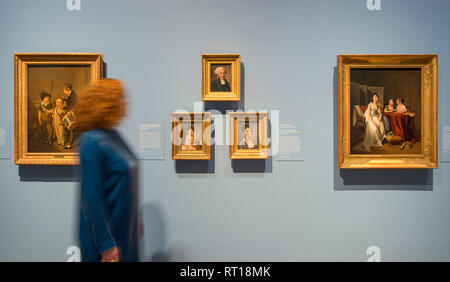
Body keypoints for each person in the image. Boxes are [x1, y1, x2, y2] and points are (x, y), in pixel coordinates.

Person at [74, 79, 140, 262]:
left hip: (124, 231)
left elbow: (126, 182)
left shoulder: (114, 137)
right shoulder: (91, 142)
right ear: (107, 104)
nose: (126, 103)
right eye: (122, 98)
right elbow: (91, 199)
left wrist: (136, 218)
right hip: (105, 241)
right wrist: (105, 244)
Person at [62, 83, 78, 149]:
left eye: (64, 90)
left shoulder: (73, 95)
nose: (63, 92)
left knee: (72, 129)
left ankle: (70, 144)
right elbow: (70, 102)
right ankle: (67, 142)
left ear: (68, 89)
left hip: (73, 113)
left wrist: (69, 111)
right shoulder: (70, 95)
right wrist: (64, 99)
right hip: (71, 112)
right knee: (68, 128)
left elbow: (74, 105)